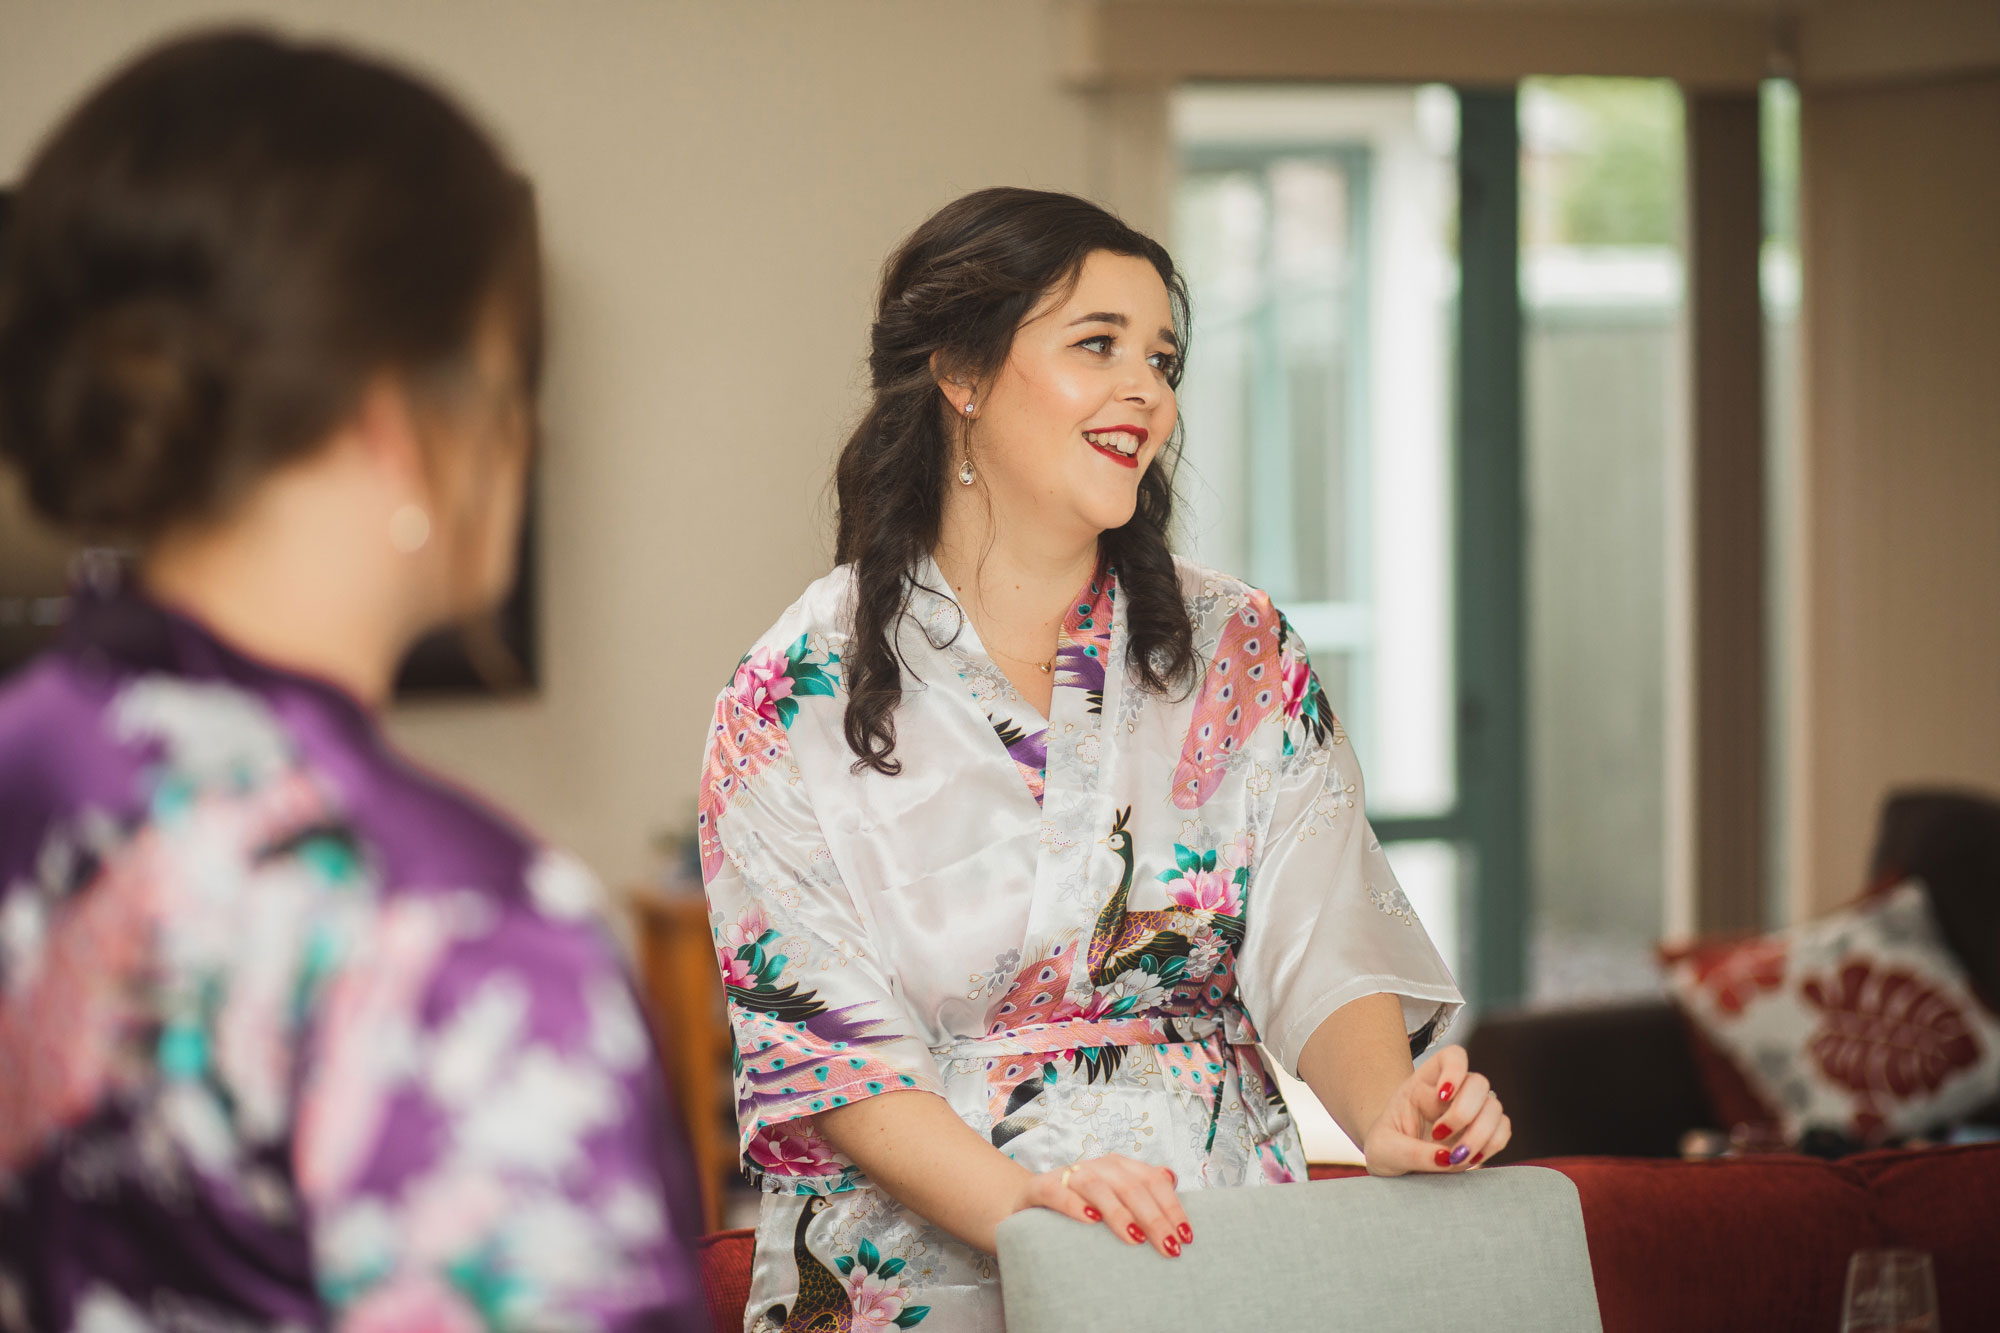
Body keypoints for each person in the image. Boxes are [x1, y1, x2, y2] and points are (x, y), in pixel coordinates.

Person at [697, 187, 1513, 1331]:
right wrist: (1028, 1204)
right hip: (920, 1274)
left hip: (1208, 1258)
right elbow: (827, 1053)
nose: (1147, 389)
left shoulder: (1238, 651)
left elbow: (1318, 940)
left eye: (1162, 358)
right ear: (961, 374)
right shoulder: (793, 691)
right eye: (1097, 346)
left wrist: (1389, 1113)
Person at [0, 30, 709, 1331]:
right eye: (510, 377)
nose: (524, 437)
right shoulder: (452, 928)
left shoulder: (29, 752)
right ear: (394, 420)